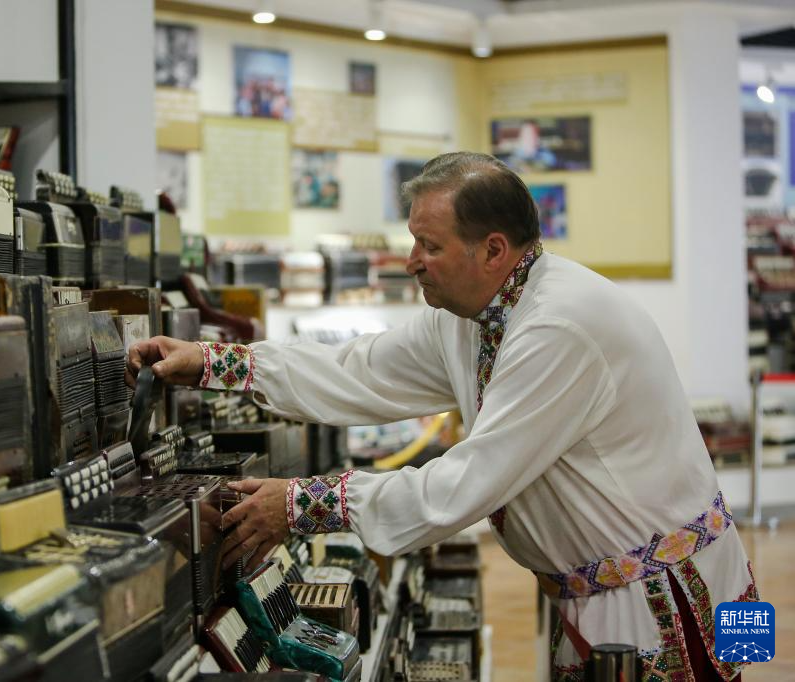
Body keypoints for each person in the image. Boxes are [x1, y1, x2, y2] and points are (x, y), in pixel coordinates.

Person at [127, 152, 759, 681]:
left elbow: (469, 482)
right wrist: (212, 362)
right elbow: (360, 369)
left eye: (429, 246)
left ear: (493, 250)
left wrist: (301, 505)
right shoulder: (477, 314)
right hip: (611, 590)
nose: (411, 261)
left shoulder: (558, 327)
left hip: (671, 600)